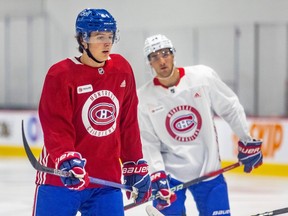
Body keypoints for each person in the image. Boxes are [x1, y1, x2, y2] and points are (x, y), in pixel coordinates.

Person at [33, 8, 151, 216]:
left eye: (110, 36)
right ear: (83, 39)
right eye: (99, 36)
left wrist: (134, 164)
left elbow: (128, 122)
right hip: (62, 178)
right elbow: (56, 126)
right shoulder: (60, 74)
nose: (107, 42)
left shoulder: (122, 69)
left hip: (106, 181)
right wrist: (66, 160)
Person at [137, 34, 263, 216]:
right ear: (149, 62)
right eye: (154, 57)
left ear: (173, 54)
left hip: (209, 170)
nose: (161, 61)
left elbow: (230, 106)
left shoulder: (202, 77)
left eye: (165, 53)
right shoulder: (144, 97)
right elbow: (148, 141)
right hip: (171, 178)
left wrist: (246, 138)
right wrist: (156, 174)